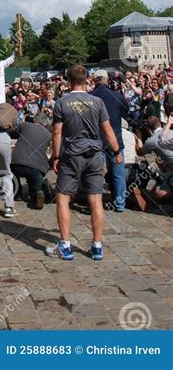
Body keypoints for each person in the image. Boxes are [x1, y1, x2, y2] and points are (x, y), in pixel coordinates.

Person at [46, 65, 123, 261]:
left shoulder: (62, 103)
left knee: (63, 198)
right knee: (95, 199)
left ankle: (65, 245)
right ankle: (97, 245)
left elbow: (57, 132)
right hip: (95, 153)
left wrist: (55, 156)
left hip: (72, 154)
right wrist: (116, 151)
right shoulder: (97, 102)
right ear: (87, 80)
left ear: (68, 81)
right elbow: (107, 129)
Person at [91, 69, 129, 212]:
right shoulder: (117, 95)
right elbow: (127, 112)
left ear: (94, 81)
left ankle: (96, 202)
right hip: (115, 139)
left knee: (96, 174)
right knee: (118, 173)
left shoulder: (90, 97)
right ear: (107, 80)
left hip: (96, 140)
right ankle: (119, 203)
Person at [11, 113, 52, 209]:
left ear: (34, 120)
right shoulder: (48, 134)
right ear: (45, 123)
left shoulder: (25, 125)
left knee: (13, 176)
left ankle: (17, 194)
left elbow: (12, 132)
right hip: (37, 166)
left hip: (17, 161)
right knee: (35, 184)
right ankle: (37, 194)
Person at [135, 115, 173, 201]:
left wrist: (139, 136)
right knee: (159, 161)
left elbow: (140, 152)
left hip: (171, 167)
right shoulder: (170, 132)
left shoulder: (151, 141)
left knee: (156, 197)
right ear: (160, 123)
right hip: (169, 166)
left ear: (148, 129)